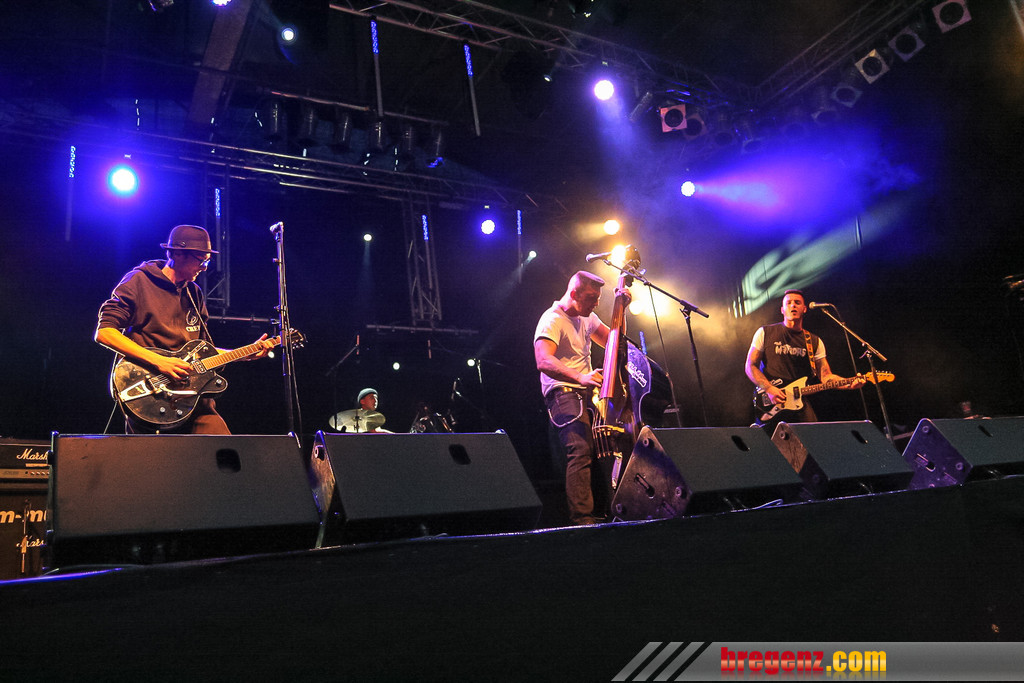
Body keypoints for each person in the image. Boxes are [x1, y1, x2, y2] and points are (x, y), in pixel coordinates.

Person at [95, 224, 273, 434]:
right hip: (149, 392)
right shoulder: (139, 281)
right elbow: (105, 332)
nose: (204, 267)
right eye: (201, 260)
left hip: (191, 394)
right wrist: (160, 362)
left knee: (224, 448)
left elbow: (203, 354)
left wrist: (242, 354)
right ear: (177, 254)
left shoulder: (194, 293)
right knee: (154, 455)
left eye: (207, 261)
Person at [534, 270, 623, 525]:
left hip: (586, 394)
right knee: (580, 449)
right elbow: (543, 360)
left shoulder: (588, 317)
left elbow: (613, 342)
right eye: (591, 298)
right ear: (574, 293)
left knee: (606, 448)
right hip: (562, 392)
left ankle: (609, 510)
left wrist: (622, 308)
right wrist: (580, 377)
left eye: (598, 298)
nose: (595, 304)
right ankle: (582, 519)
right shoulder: (552, 319)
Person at [745, 289, 864, 434]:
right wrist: (769, 388)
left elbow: (826, 377)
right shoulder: (765, 332)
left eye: (797, 303)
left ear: (804, 309)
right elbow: (750, 366)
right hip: (771, 401)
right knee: (769, 442)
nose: (793, 306)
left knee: (812, 437)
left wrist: (849, 384)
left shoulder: (814, 341)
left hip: (798, 400)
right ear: (782, 309)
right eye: (789, 303)